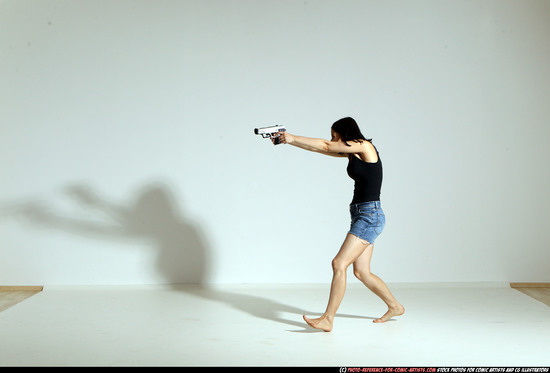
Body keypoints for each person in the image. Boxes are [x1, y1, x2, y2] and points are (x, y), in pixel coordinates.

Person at [273, 117, 404, 332]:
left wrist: (293, 136)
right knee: (362, 272)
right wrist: (289, 141)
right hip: (362, 215)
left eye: (335, 135)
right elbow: (320, 149)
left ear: (345, 132)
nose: (333, 140)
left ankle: (328, 319)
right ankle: (395, 306)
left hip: (369, 216)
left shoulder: (364, 146)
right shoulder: (352, 153)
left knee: (338, 264)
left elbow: (325, 145)